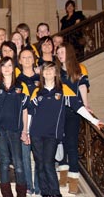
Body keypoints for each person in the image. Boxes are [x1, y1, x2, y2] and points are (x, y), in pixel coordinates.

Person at [29, 61, 103, 197]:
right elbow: (29, 113)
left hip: (52, 134)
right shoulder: (37, 92)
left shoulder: (63, 90)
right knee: (39, 164)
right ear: (42, 73)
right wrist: (27, 132)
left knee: (48, 163)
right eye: (45, 69)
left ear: (56, 73)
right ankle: (45, 193)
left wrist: (94, 120)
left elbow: (79, 107)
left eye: (51, 69)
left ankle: (56, 194)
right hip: (36, 133)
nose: (48, 72)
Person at [0, 56, 29, 197]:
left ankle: (22, 193)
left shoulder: (20, 87)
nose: (6, 68)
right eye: (4, 66)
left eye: (9, 65)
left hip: (15, 129)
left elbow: (24, 110)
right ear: (0, 69)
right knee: (4, 161)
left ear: (14, 68)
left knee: (18, 162)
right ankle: (6, 194)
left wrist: (25, 130)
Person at [56, 43, 90, 194]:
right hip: (58, 112)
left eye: (62, 51)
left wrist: (86, 106)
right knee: (60, 142)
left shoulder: (78, 70)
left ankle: (74, 181)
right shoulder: (56, 72)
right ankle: (63, 178)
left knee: (71, 144)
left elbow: (83, 88)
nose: (60, 54)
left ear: (69, 52)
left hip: (73, 113)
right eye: (58, 52)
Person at [17, 49, 40, 196]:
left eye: (29, 57)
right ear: (19, 61)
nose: (26, 60)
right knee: (24, 156)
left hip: (39, 123)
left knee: (39, 156)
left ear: (34, 59)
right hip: (23, 123)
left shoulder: (42, 78)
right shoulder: (17, 80)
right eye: (23, 57)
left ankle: (39, 186)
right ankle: (28, 186)